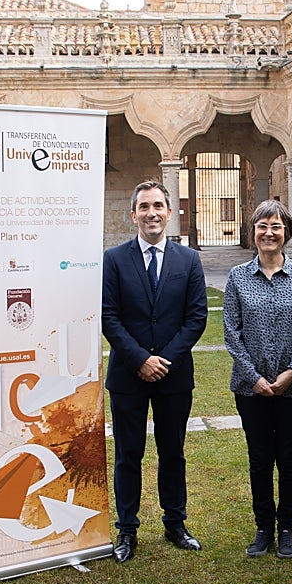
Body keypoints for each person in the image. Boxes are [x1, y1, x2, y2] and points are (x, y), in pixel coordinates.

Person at [102, 180, 208, 561]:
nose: (152, 213)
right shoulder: (114, 259)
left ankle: (175, 522)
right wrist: (140, 360)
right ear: (134, 215)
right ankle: (127, 530)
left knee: (172, 452)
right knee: (128, 454)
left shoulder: (188, 260)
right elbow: (109, 317)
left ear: (169, 211)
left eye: (158, 206)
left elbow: (196, 318)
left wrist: (163, 361)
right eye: (144, 207)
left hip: (173, 376)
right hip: (128, 376)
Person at [223, 201, 292, 559]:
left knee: (290, 458)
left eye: (276, 226)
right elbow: (232, 333)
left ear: (286, 232)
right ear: (253, 232)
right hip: (251, 390)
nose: (268, 232)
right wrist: (254, 377)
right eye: (262, 226)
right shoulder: (237, 277)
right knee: (260, 458)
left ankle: (287, 528)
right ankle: (263, 527)